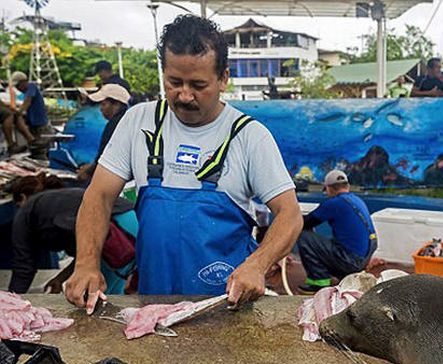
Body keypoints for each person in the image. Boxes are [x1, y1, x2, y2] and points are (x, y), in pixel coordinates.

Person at [64, 15, 302, 312]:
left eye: (198, 85)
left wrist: (257, 264)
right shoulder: (139, 121)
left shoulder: (249, 135)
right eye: (174, 83)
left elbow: (289, 213)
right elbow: (98, 195)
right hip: (153, 304)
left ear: (223, 78)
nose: (185, 95)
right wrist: (86, 263)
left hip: (226, 305)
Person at [8, 175, 136, 294]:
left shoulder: (25, 212)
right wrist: (61, 278)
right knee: (124, 293)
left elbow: (23, 267)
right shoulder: (56, 201)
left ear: (23, 197)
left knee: (100, 297)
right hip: (133, 220)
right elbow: (84, 256)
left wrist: (11, 302)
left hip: (115, 232)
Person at [297, 170, 377, 294]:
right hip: (363, 260)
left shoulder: (334, 203)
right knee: (331, 243)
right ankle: (343, 274)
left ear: (328, 188)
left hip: (351, 261)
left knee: (305, 237)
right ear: (348, 186)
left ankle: (318, 282)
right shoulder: (357, 200)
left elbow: (306, 223)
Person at [76, 84, 131, 183]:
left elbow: (104, 160)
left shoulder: (115, 125)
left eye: (104, 104)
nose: (101, 109)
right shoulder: (127, 119)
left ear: (116, 104)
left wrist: (87, 172)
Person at [10, 72, 51, 144]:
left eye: (18, 85)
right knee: (34, 146)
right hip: (32, 125)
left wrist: (19, 111)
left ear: (24, 82)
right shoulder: (25, 93)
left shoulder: (31, 87)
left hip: (41, 125)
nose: (17, 88)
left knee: (42, 146)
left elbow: (27, 101)